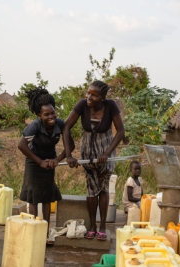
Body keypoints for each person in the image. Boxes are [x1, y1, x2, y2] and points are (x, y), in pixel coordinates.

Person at [63, 80, 125, 241]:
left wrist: (107, 153)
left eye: (94, 95)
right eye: (88, 93)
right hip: (88, 154)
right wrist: (69, 155)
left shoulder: (111, 106)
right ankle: (92, 226)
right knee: (91, 188)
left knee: (103, 188)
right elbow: (66, 127)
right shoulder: (82, 105)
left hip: (106, 152)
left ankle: (103, 226)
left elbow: (120, 131)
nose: (89, 97)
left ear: (103, 97)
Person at [18, 87, 74, 246]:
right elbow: (22, 146)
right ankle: (34, 230)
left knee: (48, 197)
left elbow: (70, 145)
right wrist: (40, 162)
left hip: (50, 161)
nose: (51, 117)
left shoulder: (60, 124)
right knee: (34, 197)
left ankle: (46, 232)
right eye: (46, 114)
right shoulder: (34, 126)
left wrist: (57, 159)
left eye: (53, 113)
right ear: (39, 115)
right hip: (34, 162)